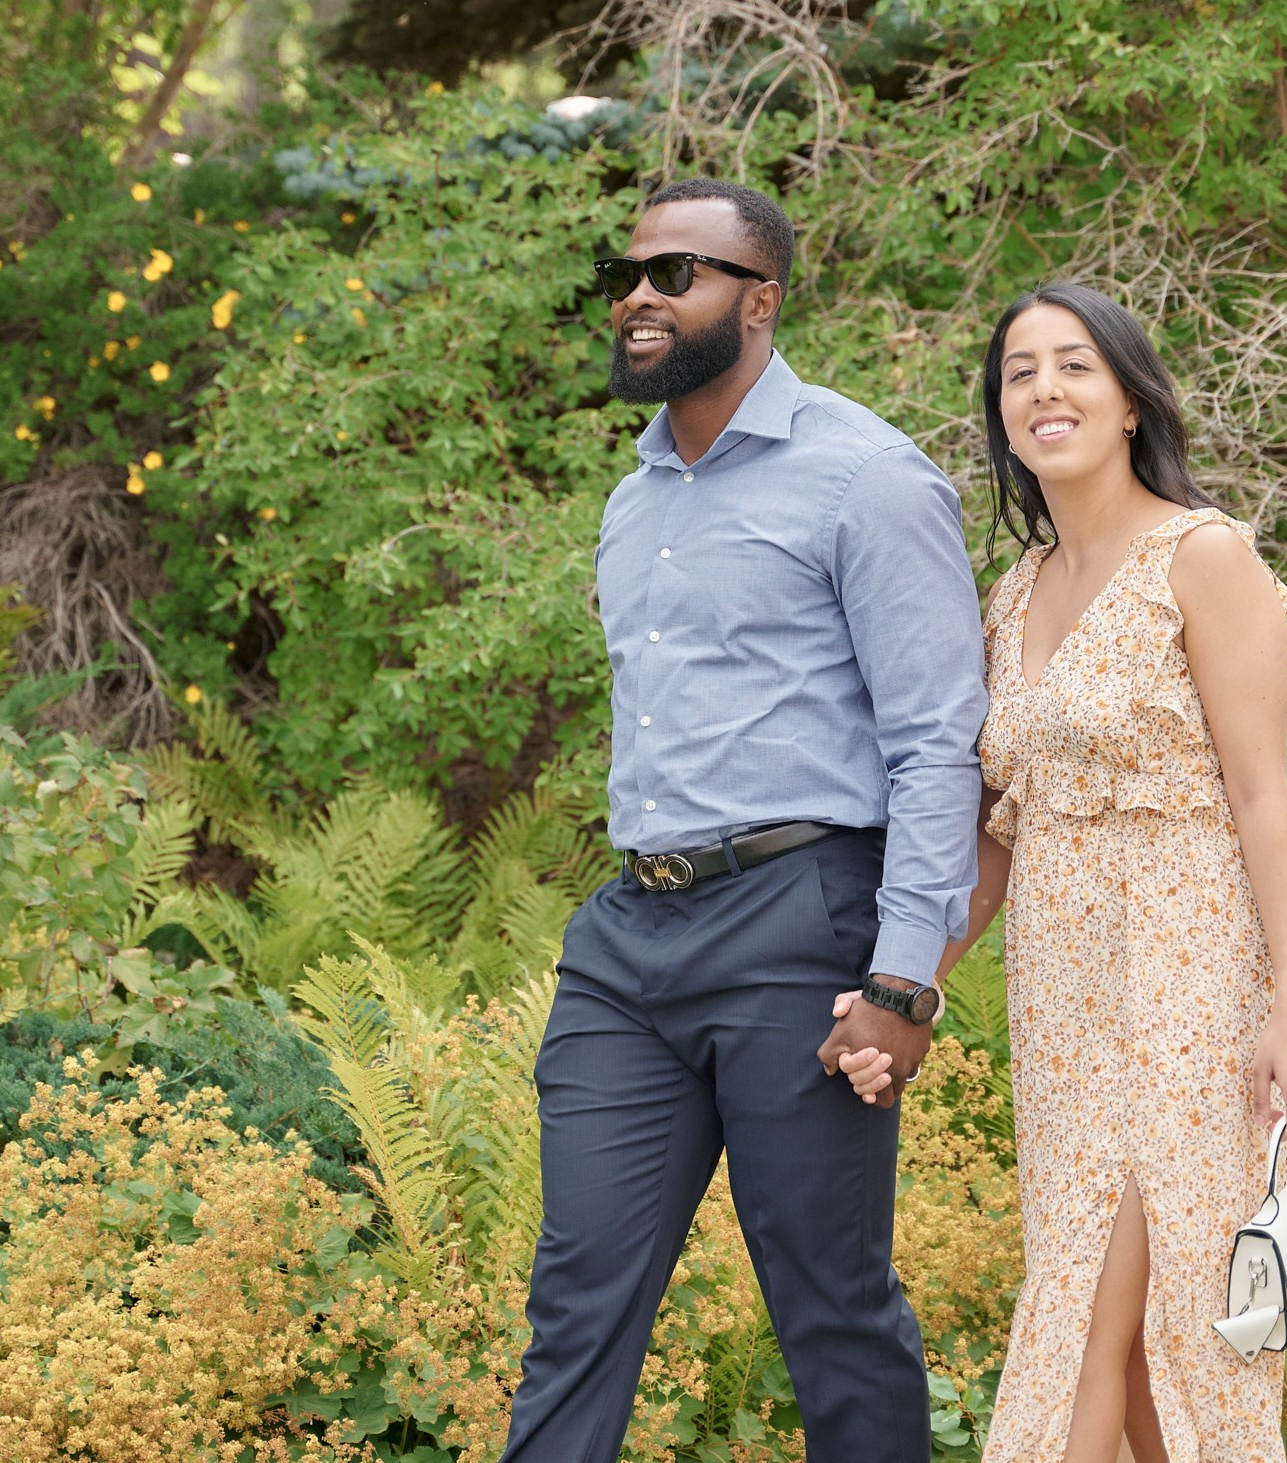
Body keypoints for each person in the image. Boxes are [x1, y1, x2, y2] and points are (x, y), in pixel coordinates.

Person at [497, 177, 988, 1463]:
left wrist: (903, 977)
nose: (638, 295)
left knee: (830, 1305)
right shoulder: (635, 497)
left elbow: (937, 743)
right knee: (575, 1300)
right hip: (629, 939)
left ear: (759, 301)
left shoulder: (867, 478)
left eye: (676, 273)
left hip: (798, 925)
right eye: (628, 272)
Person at [836, 282, 1287, 1463]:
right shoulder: (1012, 593)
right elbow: (997, 831)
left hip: (1185, 982)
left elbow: (1264, 802)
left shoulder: (1201, 556)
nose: (1043, 390)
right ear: (1001, 415)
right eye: (1018, 373)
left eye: (1072, 365)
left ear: (1128, 401)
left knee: (1104, 1314)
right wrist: (910, 981)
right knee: (1136, 1335)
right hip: (1060, 1000)